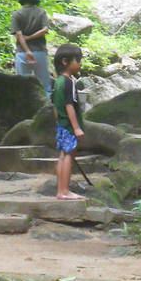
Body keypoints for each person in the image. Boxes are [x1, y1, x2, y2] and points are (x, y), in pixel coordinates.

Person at [52, 44, 85, 200]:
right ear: (65, 61)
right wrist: (76, 127)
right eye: (77, 60)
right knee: (68, 156)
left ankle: (60, 190)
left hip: (61, 125)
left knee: (63, 155)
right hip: (69, 127)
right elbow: (69, 105)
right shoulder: (68, 82)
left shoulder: (57, 81)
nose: (80, 64)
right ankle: (64, 191)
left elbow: (55, 106)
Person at [11, 0, 51, 94]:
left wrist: (27, 50)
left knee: (22, 87)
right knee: (45, 87)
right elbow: (45, 30)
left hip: (22, 54)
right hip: (40, 52)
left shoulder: (16, 14)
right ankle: (48, 109)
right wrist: (31, 37)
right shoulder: (41, 12)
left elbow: (19, 35)